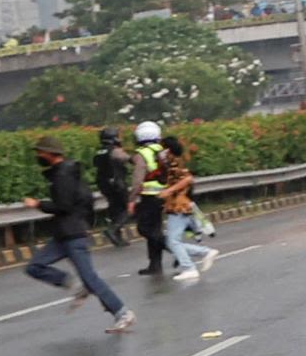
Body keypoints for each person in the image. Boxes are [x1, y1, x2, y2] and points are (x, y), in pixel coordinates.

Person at [21, 136, 134, 333]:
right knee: (34, 266)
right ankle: (72, 284)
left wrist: (38, 204)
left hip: (72, 234)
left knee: (90, 278)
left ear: (50, 153)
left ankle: (122, 313)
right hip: (63, 234)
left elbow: (64, 205)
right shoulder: (64, 173)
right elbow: (86, 200)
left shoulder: (64, 175)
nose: (38, 155)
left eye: (40, 152)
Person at [157, 136, 220, 282]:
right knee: (170, 242)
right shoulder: (172, 162)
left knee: (172, 241)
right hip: (178, 205)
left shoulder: (176, 163)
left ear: (168, 149)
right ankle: (205, 253)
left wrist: (169, 190)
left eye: (163, 148)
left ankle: (189, 268)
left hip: (179, 206)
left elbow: (188, 179)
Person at [131, 120, 170, 277]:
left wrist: (131, 199)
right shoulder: (163, 151)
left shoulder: (142, 154)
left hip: (149, 197)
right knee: (155, 229)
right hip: (164, 195)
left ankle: (175, 249)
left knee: (144, 228)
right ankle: (155, 265)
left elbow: (137, 180)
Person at [93, 125, 134, 247]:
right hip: (117, 183)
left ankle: (117, 237)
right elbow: (131, 160)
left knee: (115, 209)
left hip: (103, 184)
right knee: (128, 208)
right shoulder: (115, 151)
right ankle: (113, 229)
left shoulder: (100, 152)